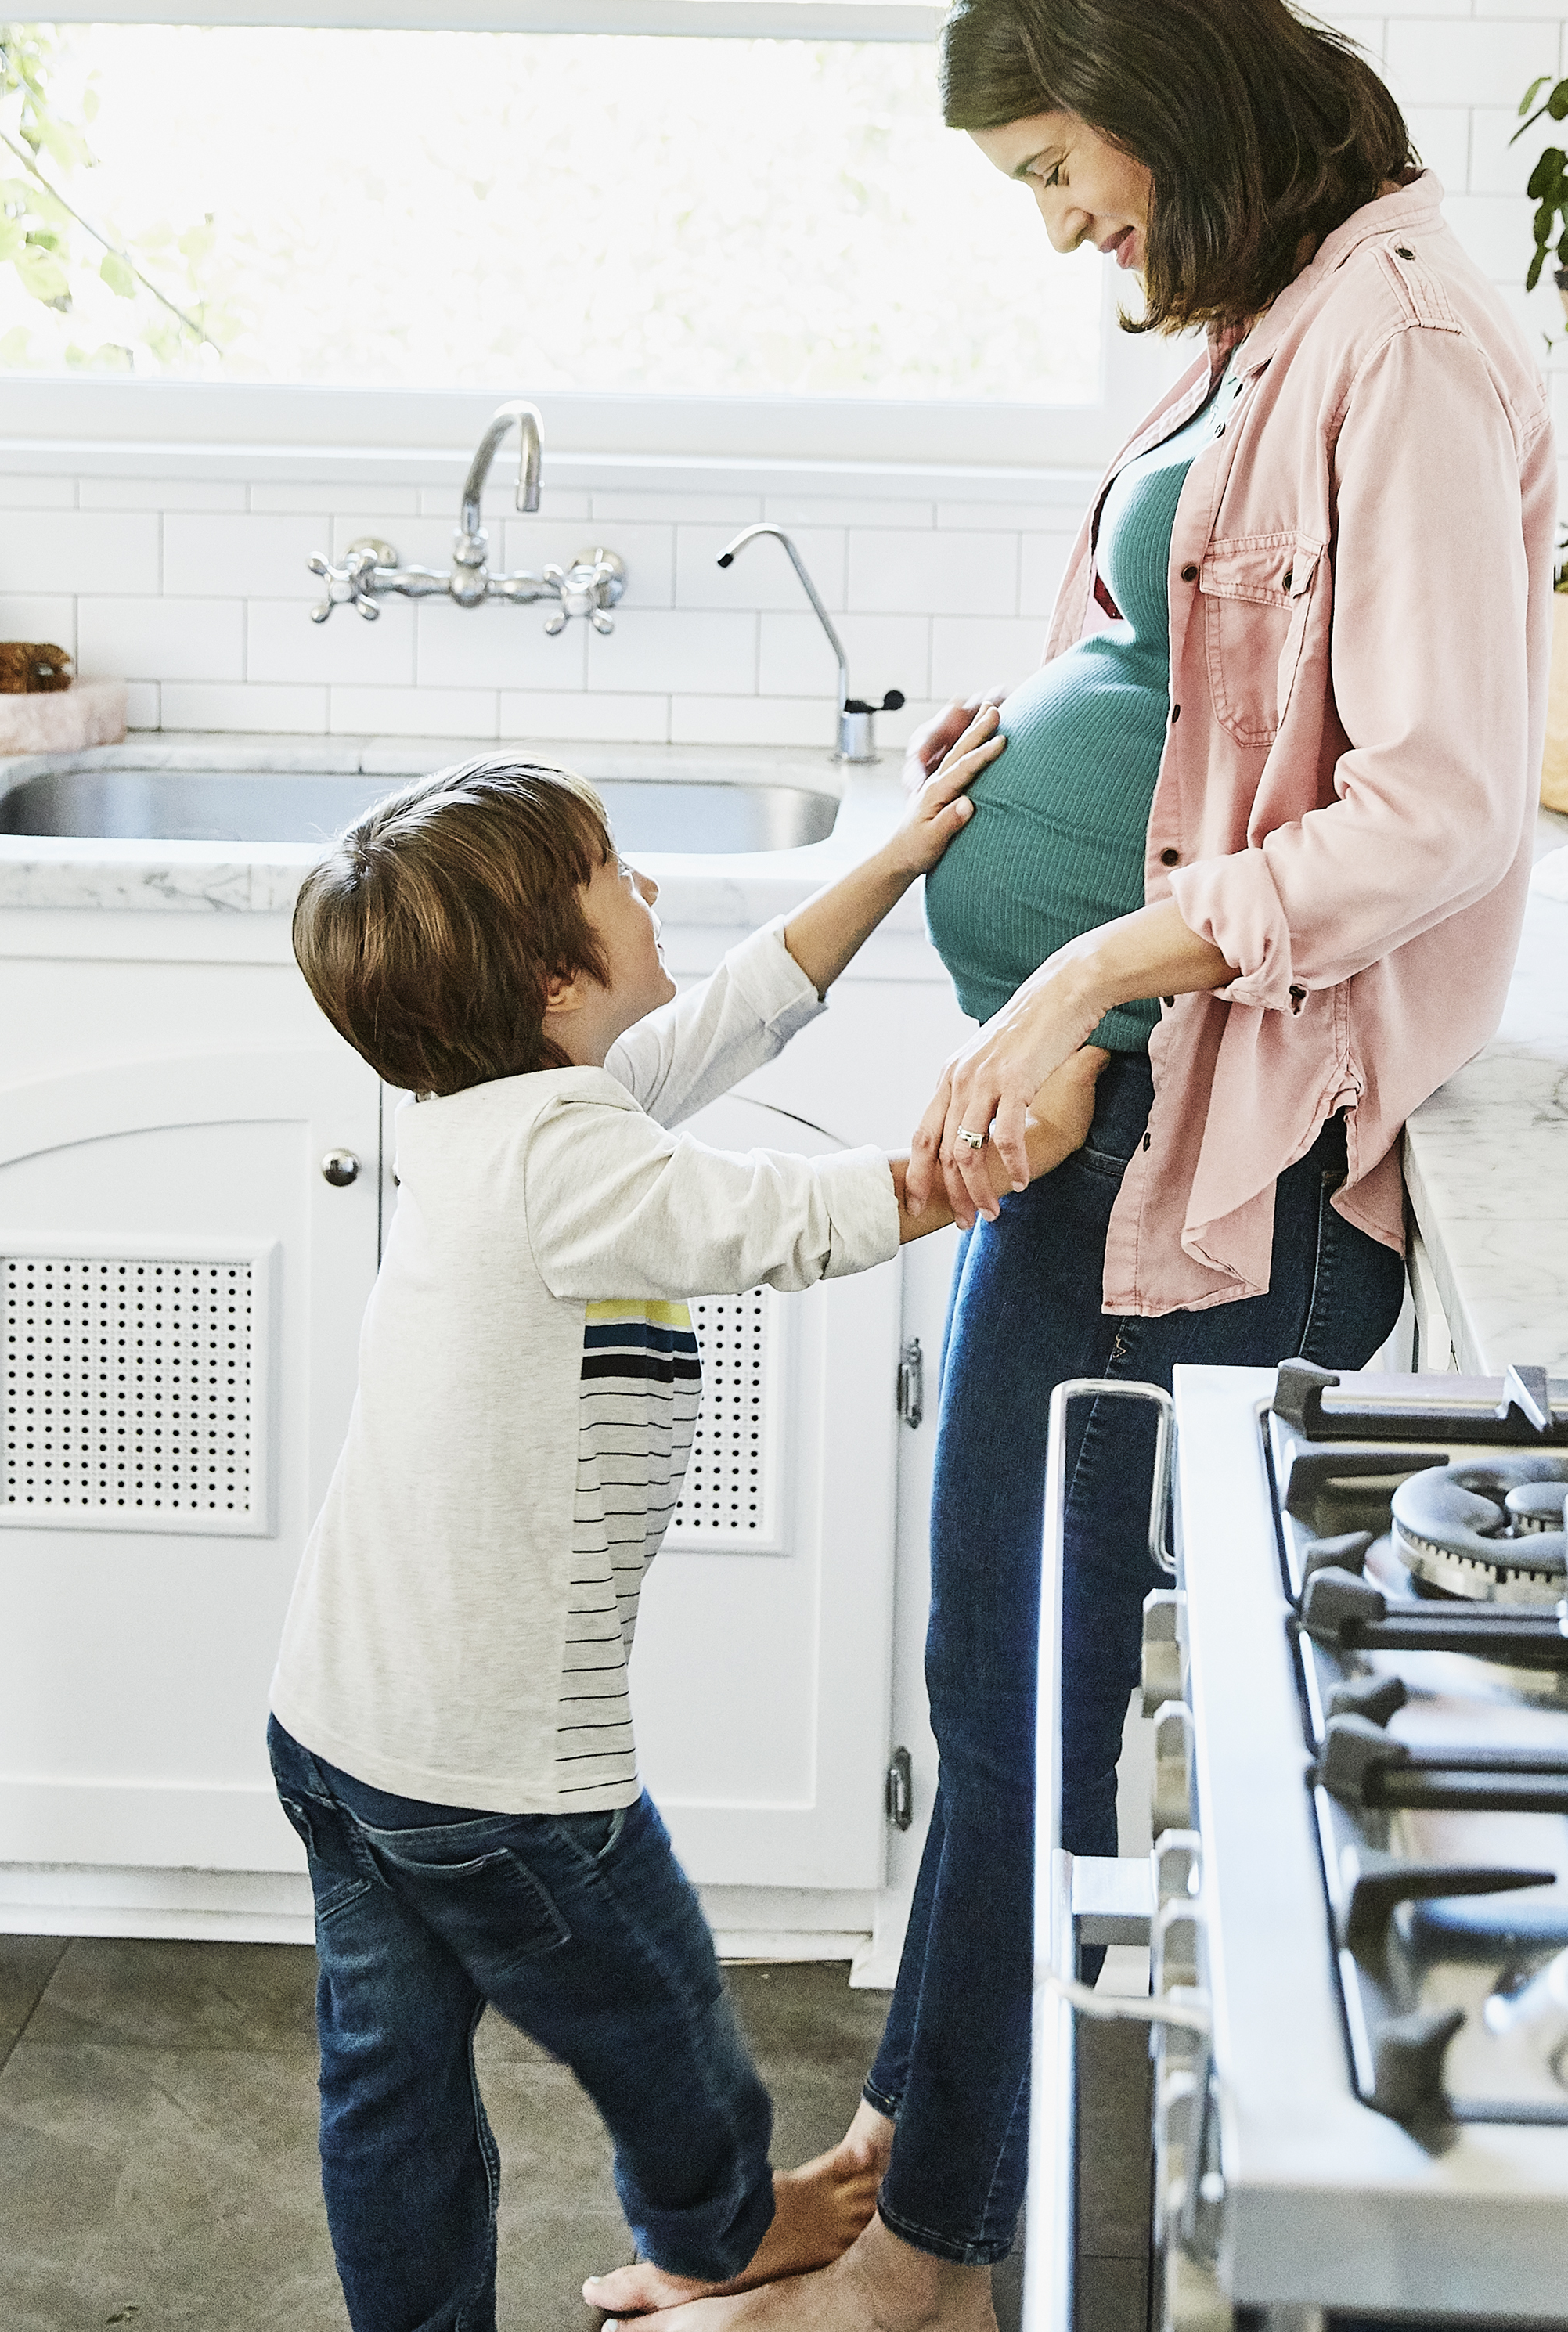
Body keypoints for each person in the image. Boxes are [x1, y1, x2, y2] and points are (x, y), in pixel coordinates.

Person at [622, 0, 1556, 2330]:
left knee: (1028, 1693)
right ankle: (907, 2147)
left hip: (1217, 1151)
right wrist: (1027, 737)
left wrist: (1103, 947)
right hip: (1120, 1121)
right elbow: (1192, 672)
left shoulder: (1412, 344)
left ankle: (923, 2269)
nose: (1059, 226)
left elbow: (1441, 799)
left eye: (1056, 164)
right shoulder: (1282, 316)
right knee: (988, 1673)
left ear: (1163, 81)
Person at [268, 743, 1106, 2332]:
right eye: (615, 874)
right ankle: (720, 2225)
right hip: (500, 1772)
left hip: (340, 1730)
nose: (647, 886)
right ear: (549, 973)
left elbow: (733, 1007)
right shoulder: (565, 1161)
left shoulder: (499, 1111)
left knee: (389, 2085)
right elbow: (777, 1220)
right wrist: (984, 1165)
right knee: (659, 2022)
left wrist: (894, 861)